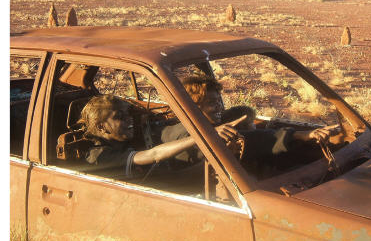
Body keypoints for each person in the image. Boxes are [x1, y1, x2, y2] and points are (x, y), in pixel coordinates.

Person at [161, 75, 339, 172]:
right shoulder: (185, 134)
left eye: (219, 102)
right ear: (193, 106)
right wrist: (301, 134)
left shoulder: (207, 126)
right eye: (211, 103)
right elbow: (250, 139)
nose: (219, 108)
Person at [78, 94, 243, 178]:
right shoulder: (100, 155)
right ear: (101, 126)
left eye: (129, 114)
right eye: (120, 117)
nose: (129, 119)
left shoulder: (121, 141)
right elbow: (154, 154)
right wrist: (206, 136)